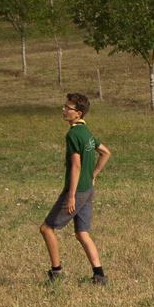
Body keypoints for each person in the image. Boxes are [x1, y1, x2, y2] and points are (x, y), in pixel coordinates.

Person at [41, 93, 110, 285]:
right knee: (82, 233)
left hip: (77, 191)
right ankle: (100, 276)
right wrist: (93, 175)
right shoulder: (86, 132)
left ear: (78, 113)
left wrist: (71, 196)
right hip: (87, 190)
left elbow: (76, 166)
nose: (63, 109)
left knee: (46, 228)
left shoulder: (72, 134)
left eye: (67, 108)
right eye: (64, 106)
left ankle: (56, 273)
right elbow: (105, 152)